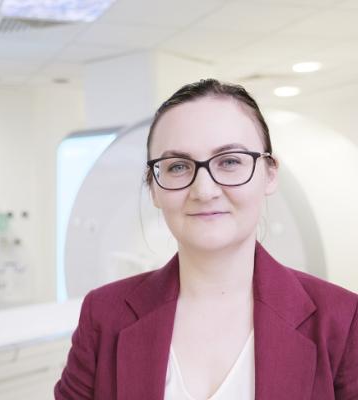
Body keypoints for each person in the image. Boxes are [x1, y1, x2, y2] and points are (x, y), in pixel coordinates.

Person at [54, 79, 358, 400]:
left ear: (269, 174)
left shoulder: (340, 319)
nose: (204, 190)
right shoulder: (103, 315)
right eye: (178, 166)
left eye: (229, 162)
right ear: (153, 188)